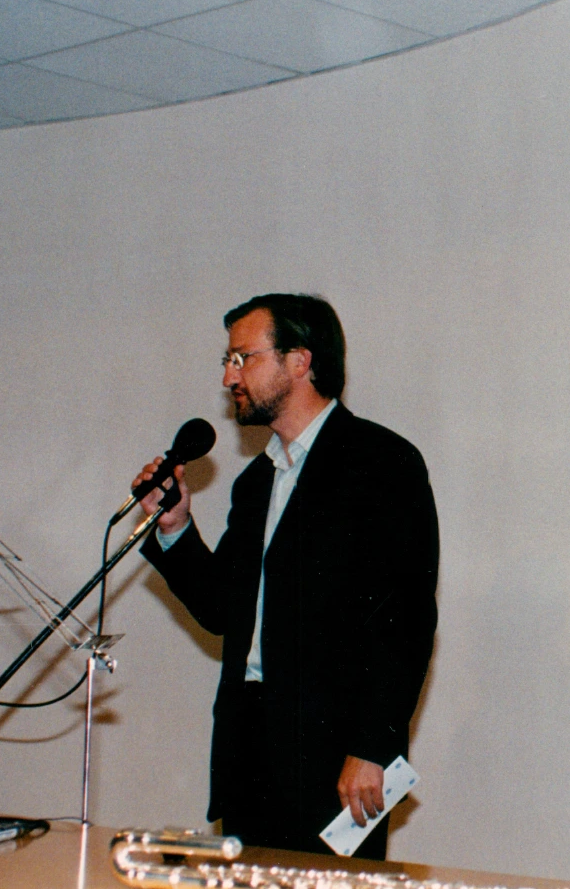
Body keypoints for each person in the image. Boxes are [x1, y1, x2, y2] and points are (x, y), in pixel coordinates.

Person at [135, 293, 438, 858]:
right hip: (249, 752)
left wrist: (373, 747)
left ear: (300, 361)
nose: (229, 377)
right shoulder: (256, 482)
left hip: (336, 759)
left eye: (242, 358)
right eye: (227, 361)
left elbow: (405, 620)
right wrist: (175, 527)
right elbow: (222, 611)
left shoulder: (380, 462)